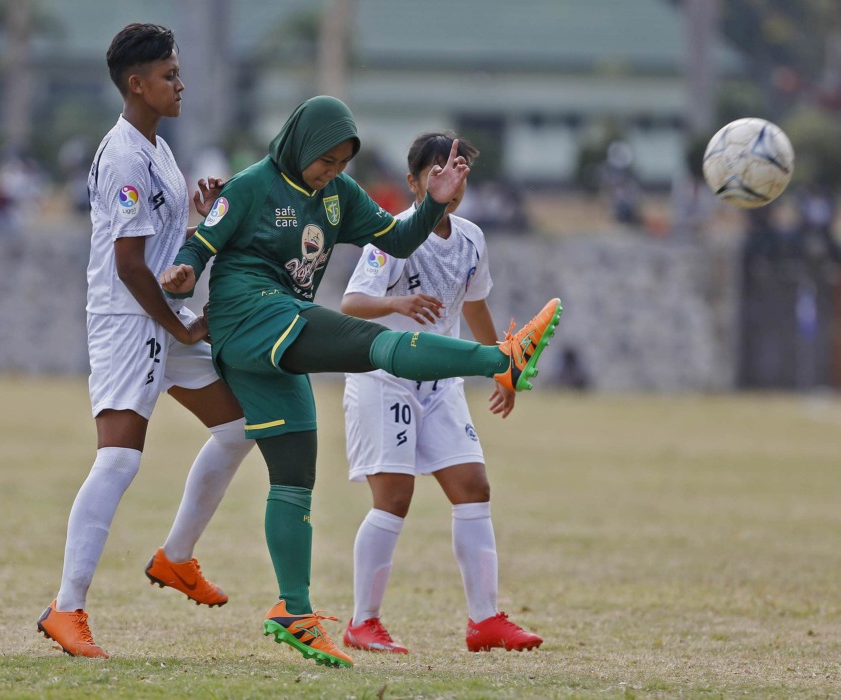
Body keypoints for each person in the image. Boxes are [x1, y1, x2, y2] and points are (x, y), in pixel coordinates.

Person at [160, 95, 562, 669]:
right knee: (372, 349)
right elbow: (201, 245)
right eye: (326, 160)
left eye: (343, 163)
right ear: (301, 145)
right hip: (249, 316)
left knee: (295, 474)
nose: (333, 172)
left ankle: (294, 611)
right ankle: (501, 359)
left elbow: (397, 239)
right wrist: (182, 275)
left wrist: (435, 204)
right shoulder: (253, 184)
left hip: (280, 329)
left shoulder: (340, 197)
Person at [37, 23, 254, 659]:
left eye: (179, 72)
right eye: (169, 75)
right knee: (120, 459)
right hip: (131, 321)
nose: (180, 84)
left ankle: (176, 558)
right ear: (137, 84)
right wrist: (181, 324)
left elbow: (155, 240)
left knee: (241, 428)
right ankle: (66, 608)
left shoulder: (156, 149)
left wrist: (200, 210)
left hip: (165, 315)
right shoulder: (127, 155)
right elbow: (130, 263)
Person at [338, 132, 544, 655]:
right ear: (414, 182)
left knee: (473, 486)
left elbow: (474, 307)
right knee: (395, 497)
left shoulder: (472, 237)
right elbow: (352, 303)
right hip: (383, 379)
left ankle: (485, 622)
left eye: (459, 170)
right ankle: (362, 623)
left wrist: (503, 368)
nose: (450, 179)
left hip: (440, 385)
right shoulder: (395, 234)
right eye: (437, 171)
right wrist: (399, 305)